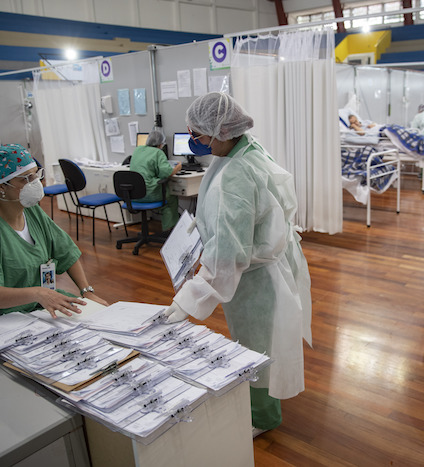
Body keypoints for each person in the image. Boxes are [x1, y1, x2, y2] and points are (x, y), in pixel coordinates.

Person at [160, 92, 312, 436]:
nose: (192, 138)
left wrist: (188, 300)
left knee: (256, 342)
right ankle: (260, 407)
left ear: (220, 132)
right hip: (262, 267)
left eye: (197, 133)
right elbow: (234, 221)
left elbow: (228, 257)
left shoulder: (235, 176)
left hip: (255, 278)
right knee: (259, 341)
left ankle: (263, 417)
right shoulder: (243, 150)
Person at [0, 144, 108, 326]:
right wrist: (38, 293)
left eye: (36, 174)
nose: (36, 183)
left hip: (34, 309)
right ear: (2, 186)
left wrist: (86, 291)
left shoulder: (32, 211)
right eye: (26, 178)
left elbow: (65, 250)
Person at [129, 129, 182, 229]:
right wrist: (178, 167)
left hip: (135, 194)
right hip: (149, 193)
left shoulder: (137, 150)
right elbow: (167, 173)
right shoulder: (158, 152)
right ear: (161, 144)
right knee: (171, 199)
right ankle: (169, 231)